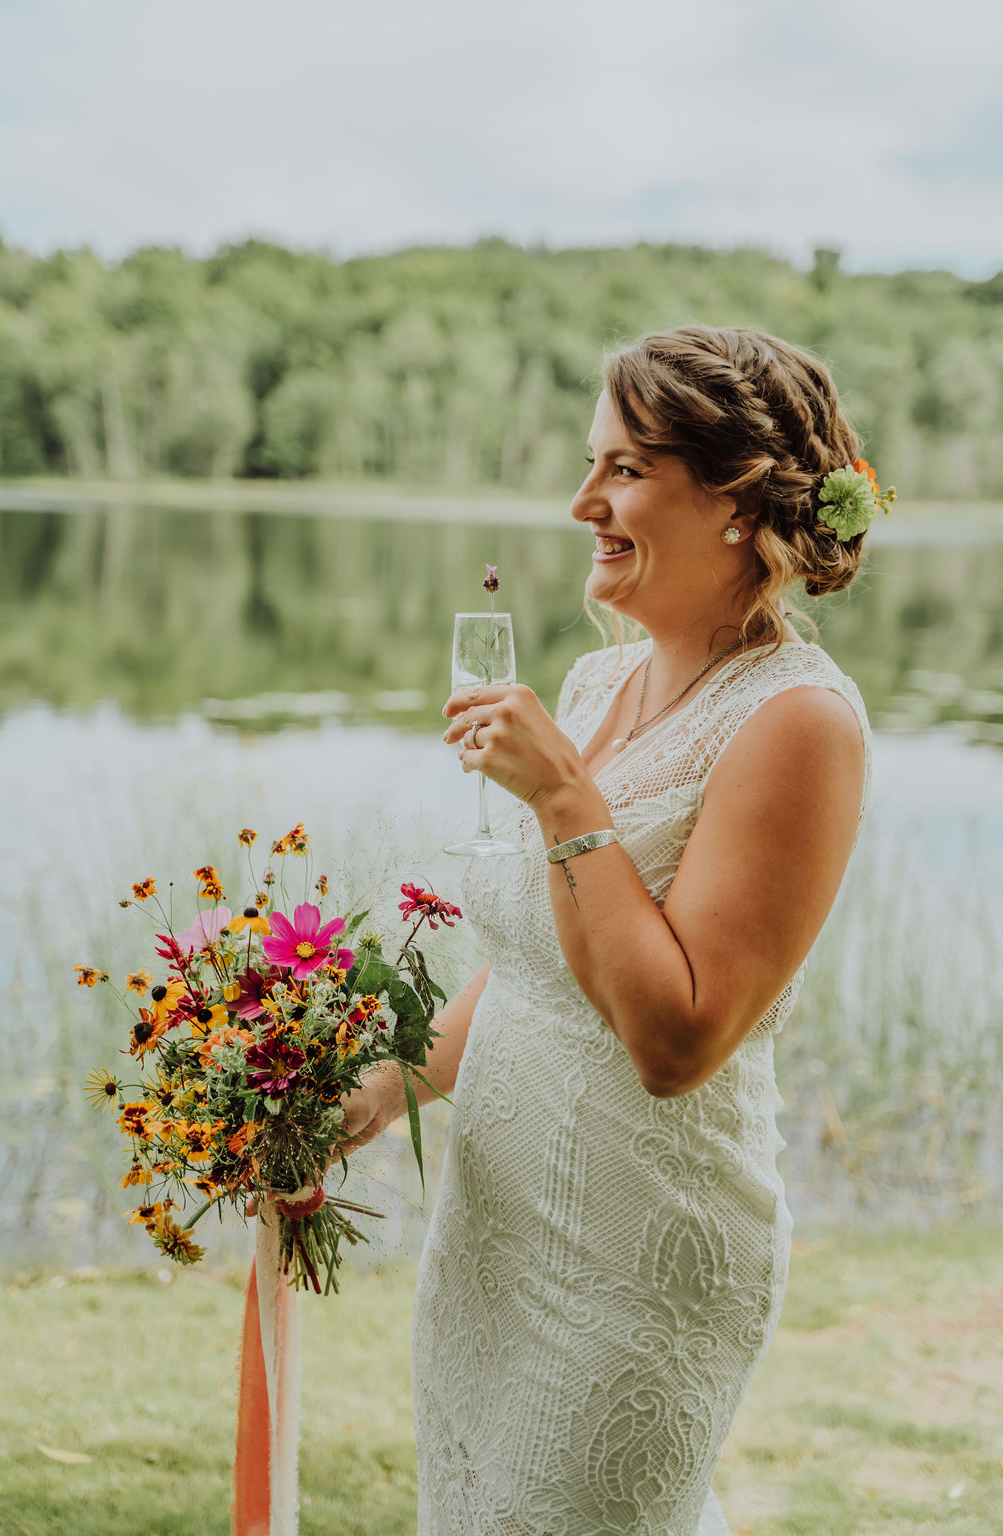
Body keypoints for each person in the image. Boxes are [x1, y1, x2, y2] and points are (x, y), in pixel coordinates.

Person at [341, 324, 879, 1536]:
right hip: (493, 1236)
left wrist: (563, 798)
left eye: (625, 469)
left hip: (635, 1265)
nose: (583, 501)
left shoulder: (798, 721)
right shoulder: (596, 685)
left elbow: (673, 1040)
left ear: (735, 499)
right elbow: (539, 964)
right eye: (594, 464)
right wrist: (381, 1087)